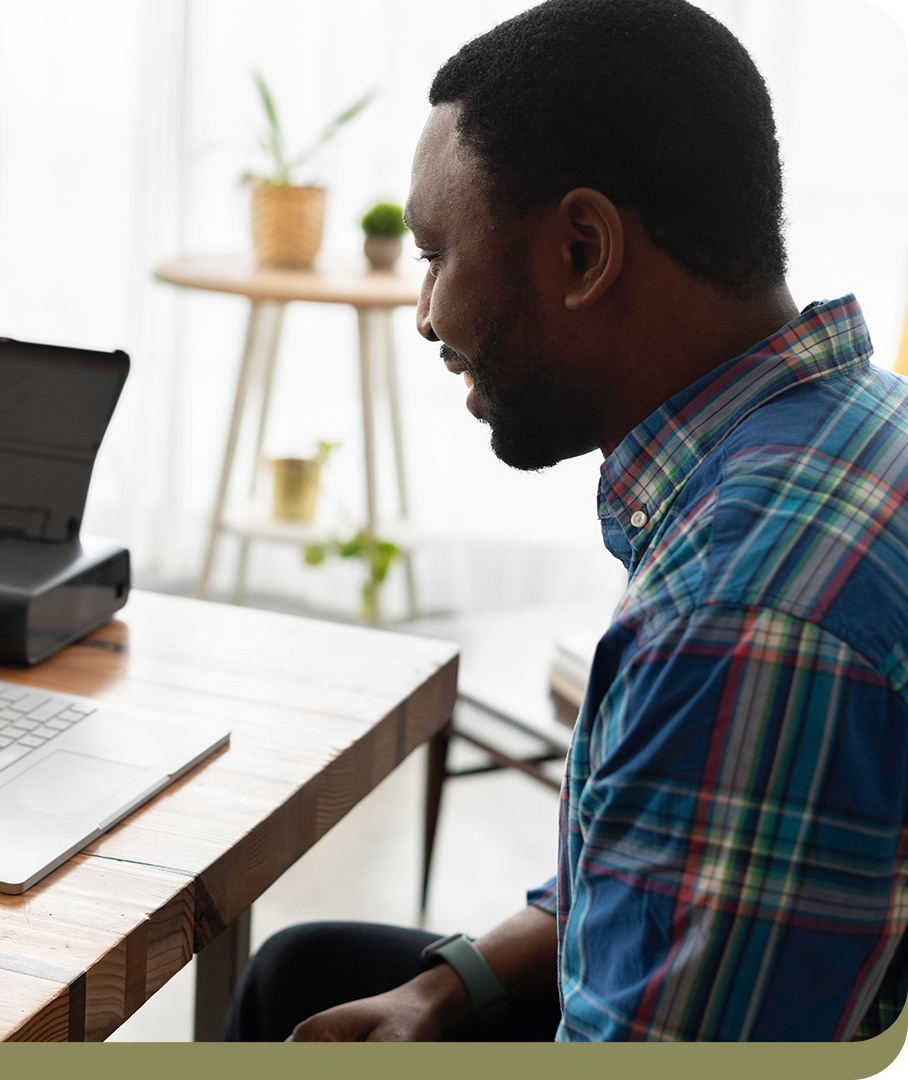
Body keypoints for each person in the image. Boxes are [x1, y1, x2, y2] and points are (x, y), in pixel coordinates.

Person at [225, 0, 908, 1042]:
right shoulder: (849, 429)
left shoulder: (737, 614)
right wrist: (442, 989)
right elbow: (669, 868)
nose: (423, 313)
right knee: (302, 975)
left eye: (436, 253)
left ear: (582, 250)